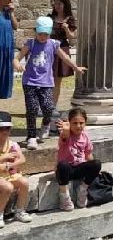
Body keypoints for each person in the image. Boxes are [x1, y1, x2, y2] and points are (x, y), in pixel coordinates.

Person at [13, 16, 87, 150]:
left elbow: (64, 57)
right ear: (36, 31)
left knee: (48, 107)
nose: (42, 36)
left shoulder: (53, 44)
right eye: (40, 33)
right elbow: (17, 58)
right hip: (29, 81)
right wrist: (17, 64)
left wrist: (76, 67)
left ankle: (46, 124)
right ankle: (31, 137)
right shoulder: (31, 43)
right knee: (32, 109)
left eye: (45, 34)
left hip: (46, 82)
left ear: (49, 33)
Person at [55, 107, 102, 211]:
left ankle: (82, 190)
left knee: (97, 164)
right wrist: (66, 129)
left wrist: (95, 171)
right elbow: (64, 135)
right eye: (75, 123)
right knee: (63, 165)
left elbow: (88, 155)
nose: (78, 126)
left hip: (79, 168)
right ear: (69, 123)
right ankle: (64, 196)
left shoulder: (85, 137)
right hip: (66, 170)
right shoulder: (66, 135)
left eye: (81, 123)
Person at [0, 111, 33, 226]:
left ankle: (20, 210)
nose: (4, 131)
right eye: (1, 128)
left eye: (7, 128)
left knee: (24, 182)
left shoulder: (12, 144)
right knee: (7, 187)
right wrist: (4, 158)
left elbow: (22, 159)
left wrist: (10, 165)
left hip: (9, 174)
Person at [48, 0, 77, 113]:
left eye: (59, 4)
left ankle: (53, 106)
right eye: (55, 4)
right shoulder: (49, 17)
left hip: (62, 49)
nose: (57, 6)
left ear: (65, 5)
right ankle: (44, 105)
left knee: (57, 80)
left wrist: (66, 28)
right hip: (49, 48)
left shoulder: (69, 19)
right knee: (46, 79)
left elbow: (72, 37)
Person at [0, 0, 18, 100]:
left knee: (5, 72)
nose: (12, 0)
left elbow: (15, 26)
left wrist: (12, 13)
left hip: (7, 47)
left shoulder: (8, 12)